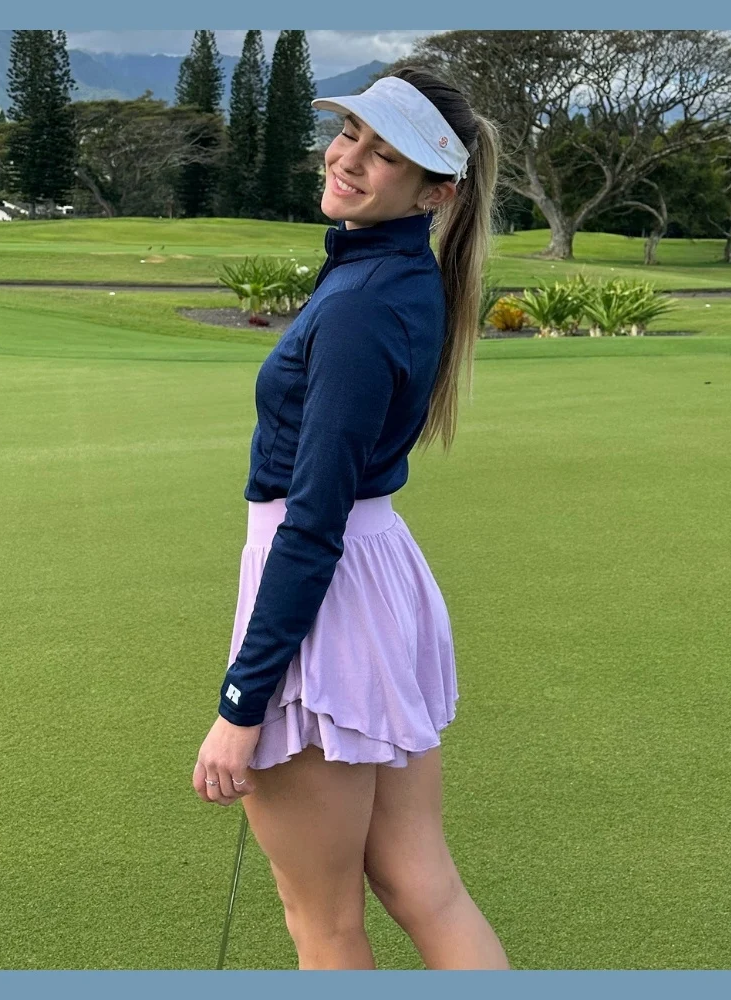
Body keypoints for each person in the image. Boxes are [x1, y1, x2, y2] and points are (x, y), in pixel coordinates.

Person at [192, 66, 510, 971]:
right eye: (351, 136)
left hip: (327, 596)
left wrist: (240, 706)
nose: (349, 159)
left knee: (324, 923)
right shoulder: (397, 273)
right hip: (373, 581)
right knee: (422, 882)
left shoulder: (365, 304)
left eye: (385, 152)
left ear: (436, 190)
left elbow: (313, 521)